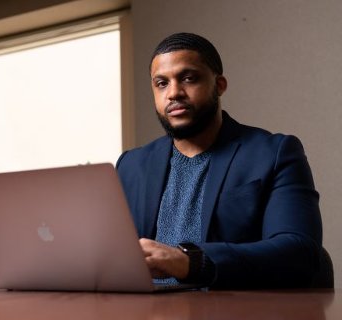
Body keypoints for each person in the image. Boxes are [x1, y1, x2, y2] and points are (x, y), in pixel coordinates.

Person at [116, 32, 322, 289]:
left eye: (188, 78)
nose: (174, 93)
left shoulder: (275, 152)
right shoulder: (131, 165)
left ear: (219, 84)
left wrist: (191, 262)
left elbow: (301, 251)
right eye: (161, 83)